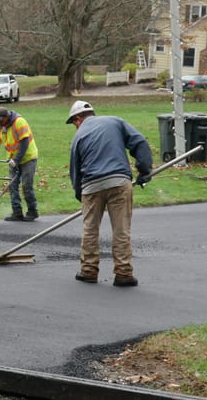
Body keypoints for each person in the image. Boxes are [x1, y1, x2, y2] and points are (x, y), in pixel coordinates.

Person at [66, 100, 153, 287]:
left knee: (90, 230)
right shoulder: (115, 121)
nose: (75, 125)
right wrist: (144, 170)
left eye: (73, 122)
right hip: (119, 181)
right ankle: (123, 273)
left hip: (91, 186)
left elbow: (75, 170)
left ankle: (88, 270)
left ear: (78, 119)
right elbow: (139, 142)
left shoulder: (78, 136)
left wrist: (79, 193)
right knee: (121, 229)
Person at [0, 107, 39, 221]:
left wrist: (16, 160)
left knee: (26, 186)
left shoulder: (19, 122)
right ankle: (17, 213)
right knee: (12, 186)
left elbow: (24, 143)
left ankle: (32, 211)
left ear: (6, 117)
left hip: (28, 158)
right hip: (12, 159)